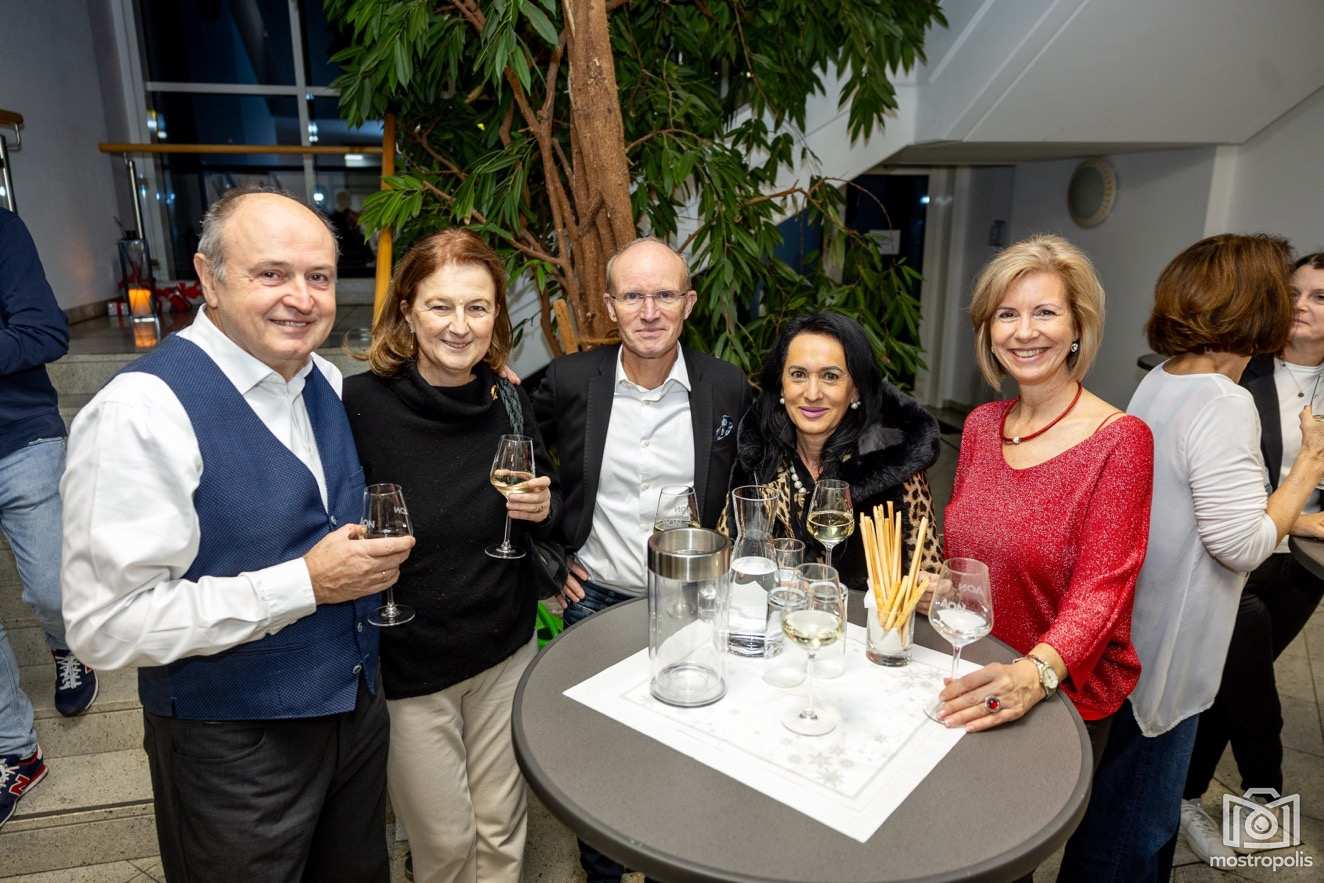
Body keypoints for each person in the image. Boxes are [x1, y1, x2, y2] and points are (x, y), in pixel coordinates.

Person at [60, 187, 414, 881]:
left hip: (353, 717)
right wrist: (304, 584)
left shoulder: (324, 380)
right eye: (271, 273)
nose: (301, 298)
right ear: (209, 277)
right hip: (233, 749)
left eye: (318, 277)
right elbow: (105, 626)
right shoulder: (142, 411)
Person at [1059, 234, 1324, 883]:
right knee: (1137, 831)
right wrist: (1308, 469)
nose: (1292, 306)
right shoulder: (1223, 402)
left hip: (1135, 629)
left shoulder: (1165, 377)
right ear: (1256, 305)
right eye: (1282, 293)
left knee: (1112, 813)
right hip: (1170, 649)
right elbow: (1242, 544)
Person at [532, 236, 749, 882]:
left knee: (683, 753)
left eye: (664, 295)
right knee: (595, 760)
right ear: (609, 305)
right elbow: (518, 465)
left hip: (692, 606)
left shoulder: (726, 386)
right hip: (594, 601)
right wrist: (546, 562)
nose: (649, 311)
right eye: (632, 296)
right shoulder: (571, 381)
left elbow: (750, 481)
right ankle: (600, 873)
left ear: (689, 302)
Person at [343, 230, 556, 883]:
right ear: (407, 309)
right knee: (445, 844)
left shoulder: (509, 397)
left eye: (477, 307)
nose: (460, 326)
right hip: (413, 666)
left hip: (505, 648)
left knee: (501, 830)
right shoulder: (358, 404)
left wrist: (543, 506)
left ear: (496, 316)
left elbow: (543, 496)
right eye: (440, 306)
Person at [936, 235, 1151, 759]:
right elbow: (972, 558)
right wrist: (940, 589)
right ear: (988, 332)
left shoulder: (1120, 441)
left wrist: (1033, 674)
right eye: (1007, 314)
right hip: (973, 672)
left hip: (1057, 694)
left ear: (1078, 327)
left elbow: (1102, 592)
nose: (1024, 331)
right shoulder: (981, 426)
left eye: (1046, 313)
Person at [1179, 251, 1324, 861]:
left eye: (1319, 297)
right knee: (1251, 690)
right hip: (1236, 555)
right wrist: (1301, 516)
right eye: (1294, 291)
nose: (1300, 305)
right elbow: (1216, 482)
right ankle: (1262, 799)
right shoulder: (1238, 371)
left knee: (1236, 683)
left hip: (1305, 567)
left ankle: (1186, 796)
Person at [0, 208, 99, 829]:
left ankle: (68, 646)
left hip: (19, 441)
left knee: (53, 590)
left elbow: (45, 333)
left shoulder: (1, 230)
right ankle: (16, 751)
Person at [728, 311, 942, 590]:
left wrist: (928, 590)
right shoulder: (759, 458)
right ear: (781, 385)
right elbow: (729, 557)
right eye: (798, 375)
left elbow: (929, 576)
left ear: (855, 390)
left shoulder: (892, 463)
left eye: (830, 376)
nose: (812, 393)